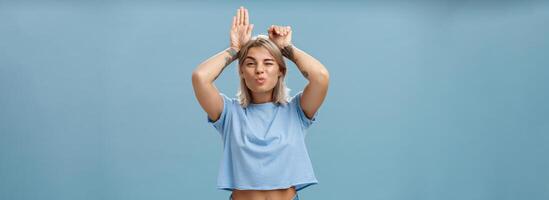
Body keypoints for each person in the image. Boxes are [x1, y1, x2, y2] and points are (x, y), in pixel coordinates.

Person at [191, 6, 329, 200]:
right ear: (241, 71)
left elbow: (320, 77)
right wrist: (235, 50)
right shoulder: (229, 113)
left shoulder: (297, 111)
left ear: (281, 71)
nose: (259, 70)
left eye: (268, 63)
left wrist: (286, 49)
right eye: (250, 63)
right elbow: (200, 77)